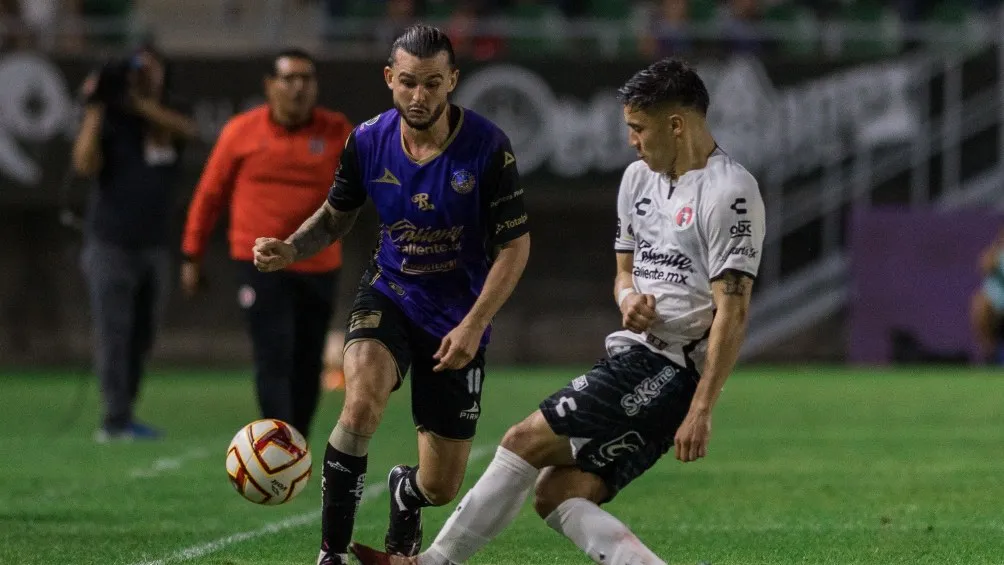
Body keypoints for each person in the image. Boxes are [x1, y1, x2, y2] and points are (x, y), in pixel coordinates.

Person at [349, 57, 766, 565]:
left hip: (668, 368)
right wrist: (627, 299)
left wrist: (701, 409)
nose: (632, 141)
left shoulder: (729, 193)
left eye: (639, 128)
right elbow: (624, 272)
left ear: (676, 125)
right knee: (558, 494)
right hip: (633, 358)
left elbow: (733, 311)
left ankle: (432, 563)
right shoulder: (637, 180)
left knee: (522, 440)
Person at [252, 25, 531, 565]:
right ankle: (332, 552)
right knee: (359, 404)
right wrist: (291, 247)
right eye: (408, 82)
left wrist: (474, 323)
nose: (419, 96)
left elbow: (515, 247)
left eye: (432, 83)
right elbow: (335, 217)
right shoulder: (367, 141)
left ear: (453, 80)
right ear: (389, 78)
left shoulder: (488, 147)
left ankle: (406, 492)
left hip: (458, 319)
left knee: (441, 486)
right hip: (391, 293)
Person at [181, 49, 353, 439]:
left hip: (319, 262)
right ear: (270, 85)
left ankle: (296, 440)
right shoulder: (241, 131)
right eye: (289, 79)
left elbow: (367, 185)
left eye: (306, 79)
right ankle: (279, 440)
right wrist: (192, 254)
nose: (298, 88)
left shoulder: (336, 131)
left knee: (308, 357)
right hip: (259, 262)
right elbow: (209, 196)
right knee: (273, 351)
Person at [72, 42, 198, 443]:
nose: (144, 74)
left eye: (150, 67)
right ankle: (115, 418)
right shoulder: (111, 117)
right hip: (110, 243)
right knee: (114, 332)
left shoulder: (171, 109)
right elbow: (84, 164)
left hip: (155, 244)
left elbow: (186, 130)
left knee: (143, 335)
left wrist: (139, 103)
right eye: (136, 68)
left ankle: (125, 412)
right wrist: (97, 106)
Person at [970, 227, 1004, 364]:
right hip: (995, 309)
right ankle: (989, 355)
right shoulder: (996, 255)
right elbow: (985, 266)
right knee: (980, 304)